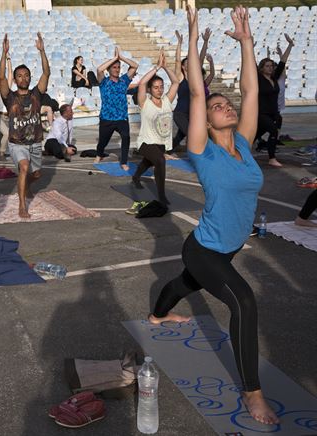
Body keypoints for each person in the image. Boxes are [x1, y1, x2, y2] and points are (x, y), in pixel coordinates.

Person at [150, 7, 279, 425]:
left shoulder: (242, 142)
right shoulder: (202, 149)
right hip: (204, 248)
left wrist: (246, 42)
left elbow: (253, 91)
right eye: (218, 104)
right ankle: (252, 393)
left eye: (228, 104)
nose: (225, 105)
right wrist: (191, 36)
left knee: (185, 285)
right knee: (243, 301)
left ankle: (157, 314)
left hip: (226, 249)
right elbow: (199, 93)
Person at [0, 32, 50, 219]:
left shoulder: (36, 94)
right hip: (17, 143)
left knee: (36, 175)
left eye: (26, 75)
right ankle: (22, 206)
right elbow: (2, 78)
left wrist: (42, 51)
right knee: (24, 166)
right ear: (15, 79)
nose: (23, 78)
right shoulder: (10, 97)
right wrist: (4, 54)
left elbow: (46, 73)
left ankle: (26, 185)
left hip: (35, 142)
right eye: (19, 76)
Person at [131, 49, 180, 206]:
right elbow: (143, 83)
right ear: (150, 90)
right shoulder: (145, 103)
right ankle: (161, 195)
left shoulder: (167, 101)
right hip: (146, 142)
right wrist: (157, 67)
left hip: (160, 143)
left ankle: (136, 176)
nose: (159, 89)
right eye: (156, 87)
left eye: (161, 86)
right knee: (159, 161)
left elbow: (176, 82)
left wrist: (166, 67)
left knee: (148, 162)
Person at [94, 47, 138, 170]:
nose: (117, 69)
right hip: (106, 118)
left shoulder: (124, 80)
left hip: (121, 117)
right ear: (109, 69)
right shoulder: (104, 82)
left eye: (118, 67)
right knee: (103, 141)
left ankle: (123, 161)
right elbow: (99, 69)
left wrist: (121, 58)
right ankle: (99, 153)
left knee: (126, 137)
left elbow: (135, 66)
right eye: (114, 67)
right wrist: (114, 58)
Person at [173, 28, 215, 149]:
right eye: (186, 62)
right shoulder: (180, 77)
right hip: (180, 113)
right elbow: (176, 60)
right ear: (183, 66)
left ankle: (166, 151)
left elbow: (200, 59)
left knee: (180, 137)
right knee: (192, 136)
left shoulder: (195, 79)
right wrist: (179, 44)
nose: (189, 64)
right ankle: (202, 155)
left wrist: (205, 42)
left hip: (193, 114)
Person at [255, 33, 293, 168]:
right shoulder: (258, 79)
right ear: (261, 68)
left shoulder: (275, 77)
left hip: (273, 112)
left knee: (255, 134)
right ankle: (272, 158)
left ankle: (239, 149)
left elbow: (282, 62)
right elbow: (250, 64)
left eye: (271, 66)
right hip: (262, 112)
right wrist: (248, 48)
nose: (270, 68)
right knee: (273, 131)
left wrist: (290, 45)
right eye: (267, 66)